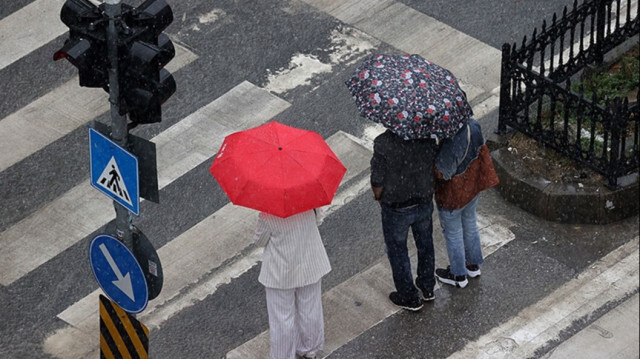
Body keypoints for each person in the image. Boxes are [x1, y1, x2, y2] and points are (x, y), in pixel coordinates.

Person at [370, 129, 438, 311]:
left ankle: (408, 296)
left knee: (398, 250)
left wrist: (380, 197)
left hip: (397, 206)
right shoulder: (426, 135)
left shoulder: (383, 143)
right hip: (423, 200)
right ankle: (427, 287)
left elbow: (377, 180)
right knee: (425, 244)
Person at [254, 208, 331, 359]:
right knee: (310, 308)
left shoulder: (268, 215)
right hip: (310, 262)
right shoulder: (311, 203)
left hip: (280, 271)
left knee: (282, 318)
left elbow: (259, 240)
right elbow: (318, 220)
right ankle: (310, 349)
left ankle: (283, 355)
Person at [433, 118, 499, 288]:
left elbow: (443, 173)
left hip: (453, 196)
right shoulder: (473, 125)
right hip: (472, 188)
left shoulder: (452, 139)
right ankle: (473, 266)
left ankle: (458, 275)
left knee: (453, 233)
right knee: (470, 225)